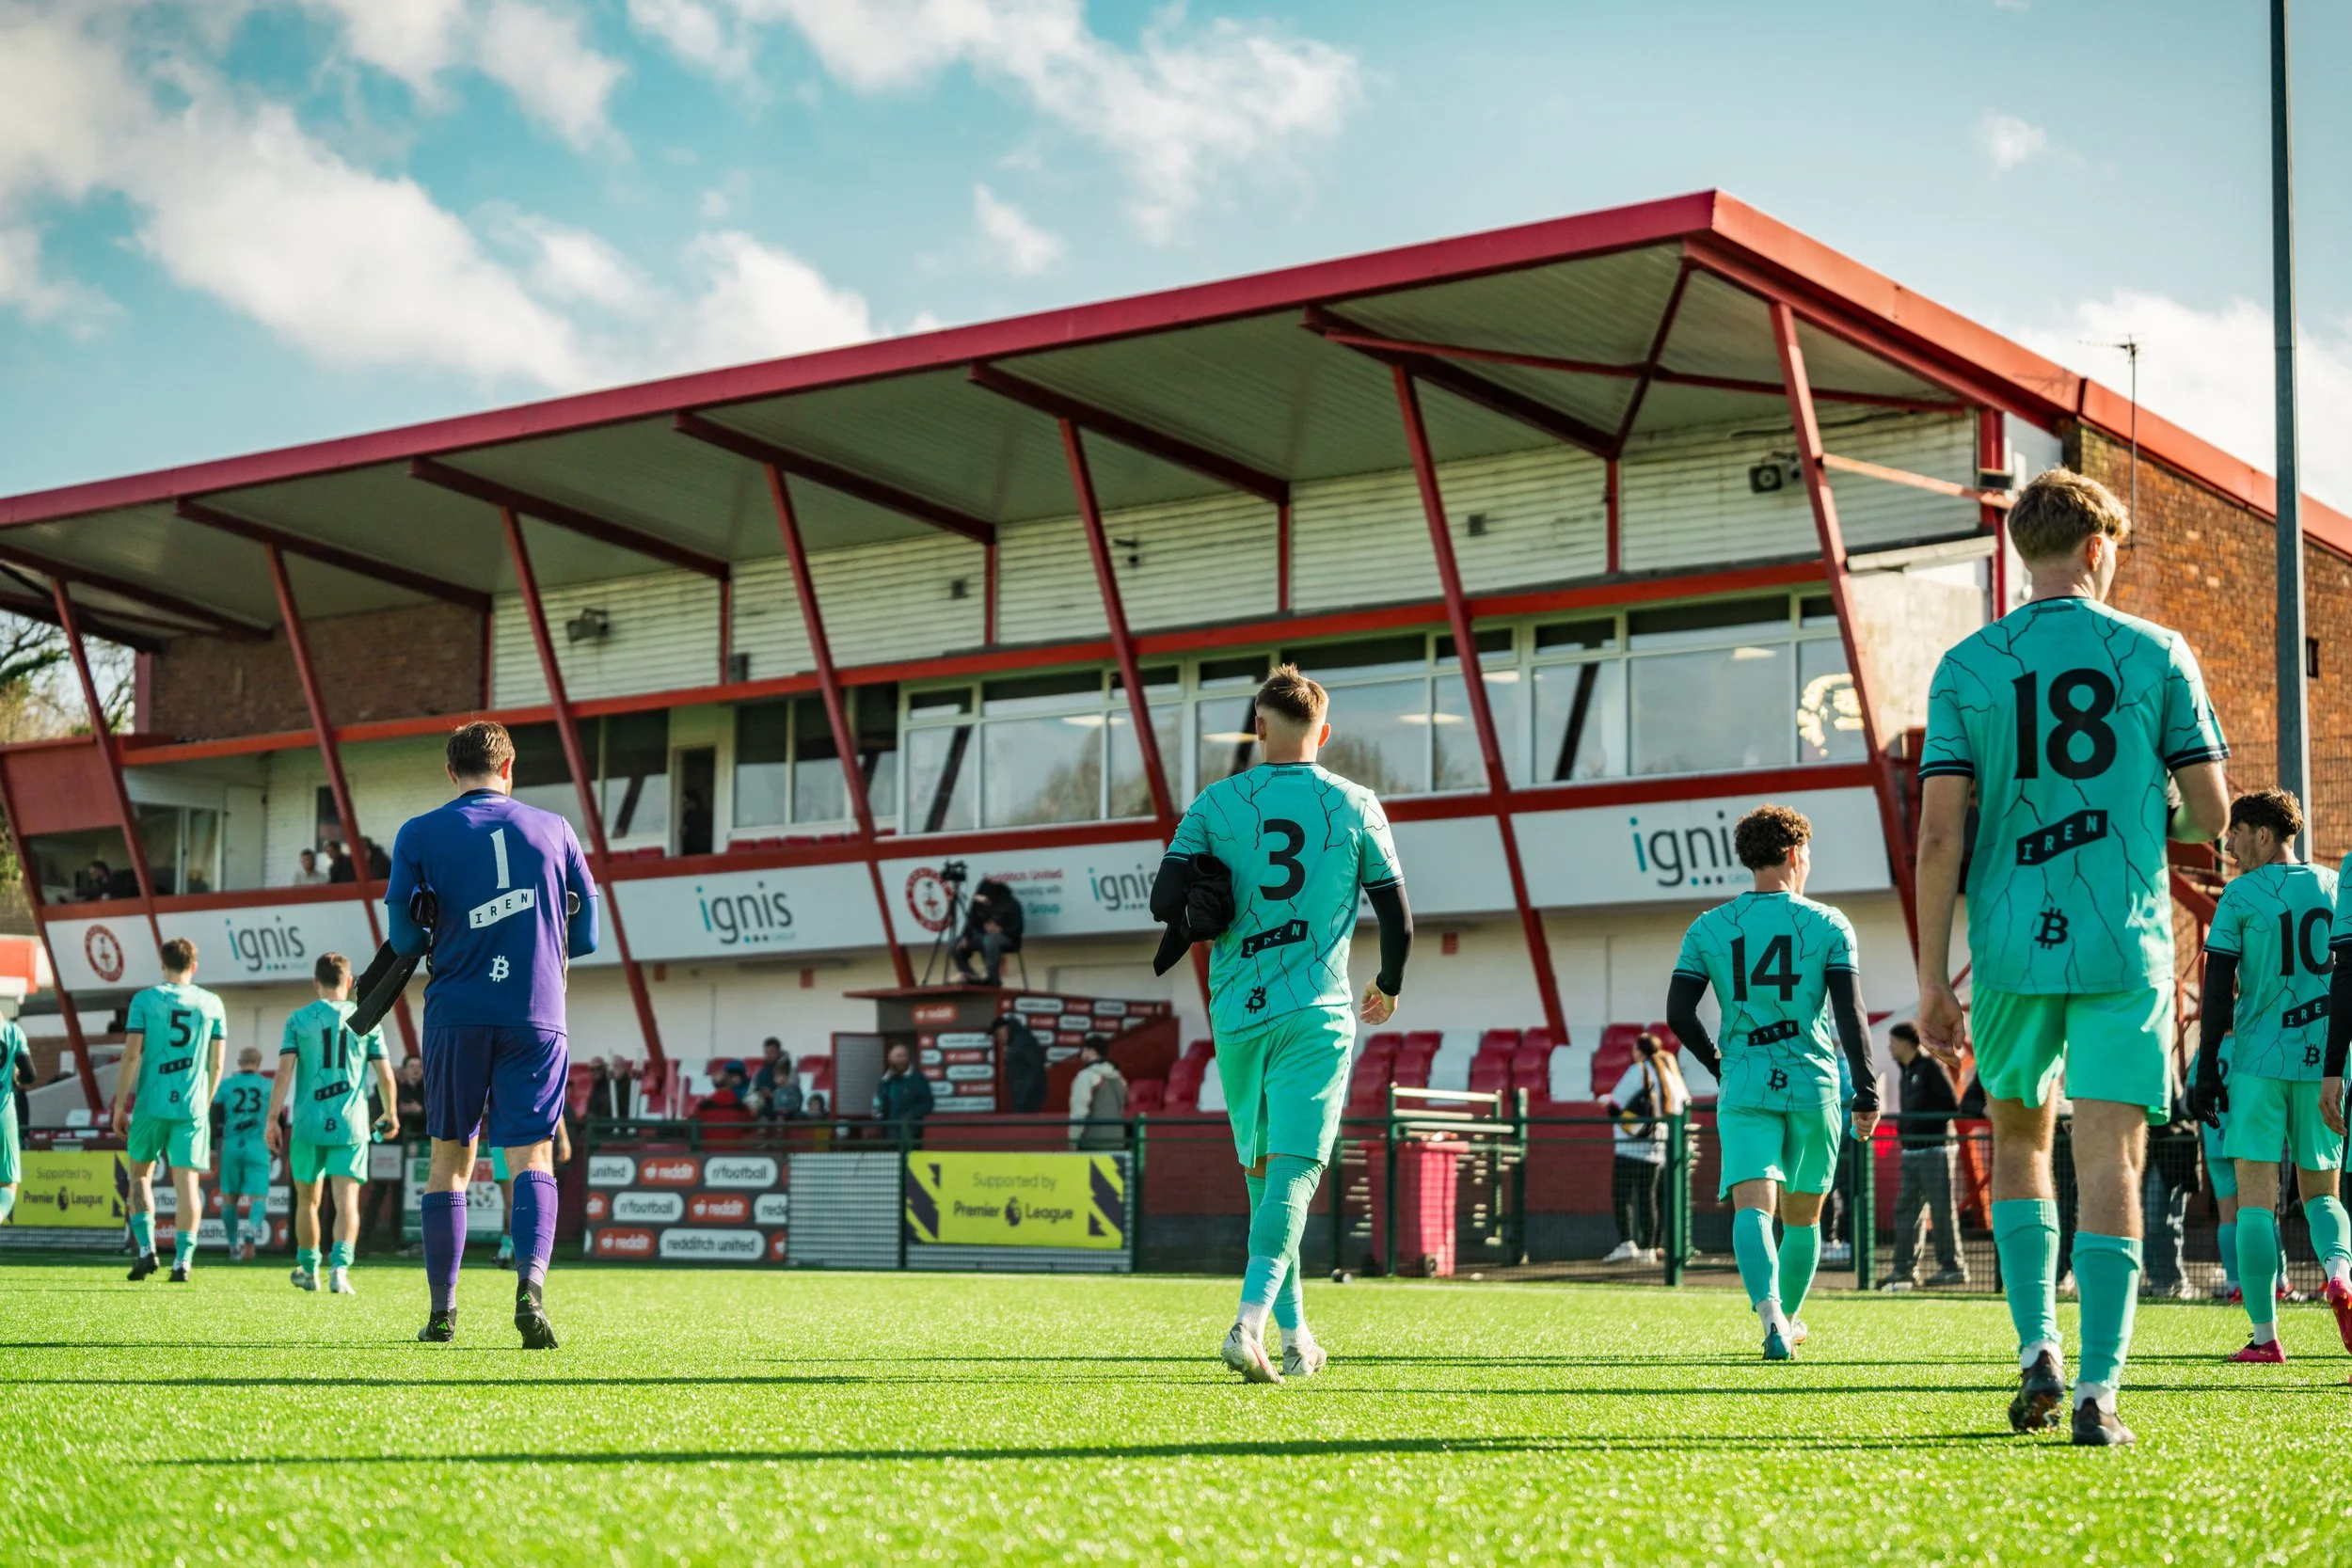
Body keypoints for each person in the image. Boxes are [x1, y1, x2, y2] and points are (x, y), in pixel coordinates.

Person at [1914, 467, 2231, 1447]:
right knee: (2111, 1157)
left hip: (2008, 943)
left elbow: (1937, 837)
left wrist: (1932, 978)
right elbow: (2213, 811)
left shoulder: (1965, 663)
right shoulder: (2159, 650)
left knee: (2016, 1143)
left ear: (2026, 550)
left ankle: (2035, 1348)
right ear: (2098, 547)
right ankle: (2099, 1388)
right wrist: (2146, 812)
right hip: (2121, 937)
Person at [1156, 663, 1412, 1386]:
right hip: (1317, 1007)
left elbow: (1163, 897)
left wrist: (1209, 893)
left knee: (1268, 1178)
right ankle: (1248, 1322)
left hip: (1237, 1011)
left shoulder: (1215, 800)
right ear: (1323, 733)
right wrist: (1388, 984)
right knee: (1296, 1172)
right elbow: (1397, 915)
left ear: (1258, 728)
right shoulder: (1355, 801)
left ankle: (1298, 1336)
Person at [384, 719, 598, 1348]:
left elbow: (403, 940)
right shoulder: (556, 829)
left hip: (457, 1012)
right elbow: (586, 936)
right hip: (537, 1012)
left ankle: (443, 1313)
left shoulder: (419, 832)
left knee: (450, 1156)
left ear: (452, 773)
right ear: (510, 768)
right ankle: (530, 1288)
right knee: (532, 1154)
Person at [1666, 803, 1879, 1361]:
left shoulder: (1708, 927)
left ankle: (1770, 1317)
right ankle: (1789, 1317)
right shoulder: (1829, 924)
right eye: (1806, 852)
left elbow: (1678, 1013)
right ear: (1793, 853)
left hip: (1745, 1082)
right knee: (1803, 1216)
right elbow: (1851, 1014)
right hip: (1813, 1083)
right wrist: (1868, 1090)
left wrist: (1719, 1065)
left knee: (1752, 1208)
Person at [2192, 787, 2352, 1360]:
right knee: (2322, 1196)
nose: (2228, 845)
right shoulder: (2335, 885)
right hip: (2325, 1063)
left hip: (2258, 1061)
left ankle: (2264, 1338)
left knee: (2256, 1201)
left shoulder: (2238, 896)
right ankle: (2340, 1276)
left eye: (2234, 833)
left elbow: (2216, 990)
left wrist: (2208, 1064)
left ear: (2262, 833)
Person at [268, 953, 397, 1295]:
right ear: (350, 981)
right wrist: (390, 1112)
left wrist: (272, 1119)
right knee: (347, 1201)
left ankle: (309, 1269)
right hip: (351, 1123)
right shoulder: (366, 1017)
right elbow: (385, 1075)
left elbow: (283, 1073)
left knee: (307, 1200)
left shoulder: (298, 1020)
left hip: (308, 1121)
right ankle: (340, 1271)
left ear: (316, 981)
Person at [112, 938, 228, 1283]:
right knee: (187, 1185)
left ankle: (147, 1249)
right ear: (194, 966)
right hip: (191, 1107)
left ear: (163, 965)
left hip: (151, 1104)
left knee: (139, 1176)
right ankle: (183, 1262)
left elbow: (132, 1054)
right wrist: (203, 1104)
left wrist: (120, 1105)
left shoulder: (145, 1000)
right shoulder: (212, 1003)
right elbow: (218, 1062)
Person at [1880, 1022, 1965, 1291]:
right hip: (1913, 1151)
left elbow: (1951, 1105)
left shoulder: (1930, 1067)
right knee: (1906, 1210)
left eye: (1893, 1043)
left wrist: (1921, 1126)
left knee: (1941, 1210)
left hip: (1935, 1150)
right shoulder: (1907, 1071)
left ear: (1905, 1043)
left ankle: (1953, 1268)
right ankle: (1904, 1269)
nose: (1890, 1048)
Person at [1604, 1033, 1686, 1264]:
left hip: (1630, 1146)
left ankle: (1627, 1243)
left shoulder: (1638, 1070)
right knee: (1649, 1197)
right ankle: (1649, 1248)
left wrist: (1607, 1104)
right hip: (1658, 1147)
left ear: (1639, 1051)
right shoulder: (1670, 1074)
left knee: (1622, 1195)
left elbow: (1615, 1104)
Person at [212, 1045, 275, 1262]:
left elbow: (215, 1115)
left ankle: (233, 1247)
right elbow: (279, 1118)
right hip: (257, 1144)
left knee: (230, 1199)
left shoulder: (226, 1085)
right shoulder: (268, 1086)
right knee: (259, 1197)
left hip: (231, 1145)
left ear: (239, 1062)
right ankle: (250, 1233)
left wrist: (213, 1145)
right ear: (258, 1063)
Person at [492, 1118, 573, 1268]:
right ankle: (510, 1248)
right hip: (503, 1138)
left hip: (532, 1140)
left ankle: (529, 1249)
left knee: (532, 1199)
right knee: (511, 1201)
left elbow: (555, 1101)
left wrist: (564, 1139)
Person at [952, 879, 1025, 987]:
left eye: (987, 900)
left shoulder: (1011, 904)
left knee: (990, 939)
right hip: (981, 937)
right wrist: (965, 937)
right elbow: (971, 923)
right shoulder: (978, 903)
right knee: (954, 944)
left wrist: (999, 930)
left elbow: (1018, 929)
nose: (985, 903)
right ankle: (971, 976)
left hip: (1007, 938)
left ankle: (993, 978)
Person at [1068, 1034, 1128, 1151]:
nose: (1082, 1053)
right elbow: (1122, 1108)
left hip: (1093, 1144)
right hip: (1119, 1142)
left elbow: (1078, 1113)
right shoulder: (1120, 1079)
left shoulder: (1086, 1076)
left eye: (1084, 1050)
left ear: (1092, 1051)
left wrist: (1073, 1141)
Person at [0, 1006, 27, 1227]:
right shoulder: (12, 1032)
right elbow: (30, 1074)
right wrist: (15, 1077)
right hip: (3, 1118)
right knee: (7, 1185)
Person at [872, 1042, 933, 1138]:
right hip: (888, 1135)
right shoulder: (885, 1081)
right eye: (898, 1056)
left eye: (905, 1056)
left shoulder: (918, 1079)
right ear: (890, 1058)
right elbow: (878, 1104)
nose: (902, 1059)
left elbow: (928, 1104)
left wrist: (910, 1115)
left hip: (910, 1134)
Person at [997, 1013, 1047, 1116]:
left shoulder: (1025, 1041)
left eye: (1003, 1030)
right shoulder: (1016, 1042)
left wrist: (1024, 1094)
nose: (1001, 1035)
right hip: (1021, 1092)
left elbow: (1036, 1068)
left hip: (1027, 1095)